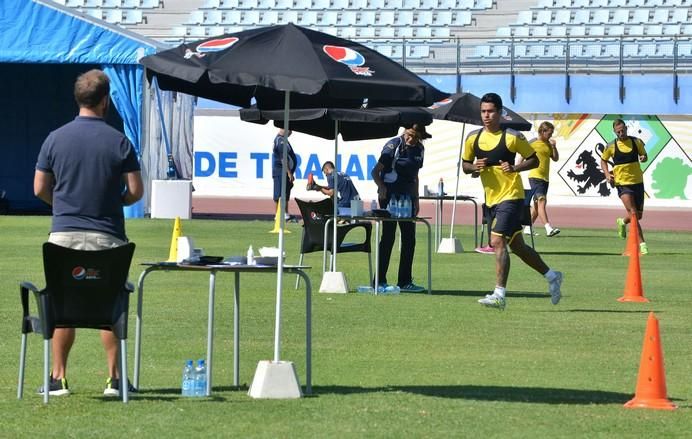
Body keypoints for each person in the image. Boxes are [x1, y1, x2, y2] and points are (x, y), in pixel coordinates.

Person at [33, 69, 143, 396]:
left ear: (78, 98)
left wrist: (63, 204)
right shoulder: (119, 141)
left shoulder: (55, 138)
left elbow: (40, 187)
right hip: (107, 238)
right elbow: (135, 191)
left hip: (63, 237)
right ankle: (115, 379)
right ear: (106, 100)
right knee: (109, 302)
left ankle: (57, 378)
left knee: (64, 301)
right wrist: (113, 202)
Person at [461, 93, 563, 310]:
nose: (486, 115)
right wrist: (475, 167)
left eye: (490, 111)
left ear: (499, 113)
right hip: (491, 200)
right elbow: (465, 166)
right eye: (483, 111)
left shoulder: (512, 136)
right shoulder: (473, 138)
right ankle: (553, 276)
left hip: (512, 196)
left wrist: (515, 168)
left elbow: (533, 159)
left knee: (497, 241)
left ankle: (499, 294)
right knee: (518, 246)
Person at [371, 124, 429, 293]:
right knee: (388, 237)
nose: (411, 139)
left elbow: (416, 176)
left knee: (409, 238)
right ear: (404, 131)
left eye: (415, 137)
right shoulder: (393, 146)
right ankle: (379, 281)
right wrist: (381, 187)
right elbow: (375, 171)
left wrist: (416, 199)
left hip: (408, 199)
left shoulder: (419, 149)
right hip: (389, 197)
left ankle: (405, 282)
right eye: (409, 135)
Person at [599, 118, 649, 254]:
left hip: (637, 182)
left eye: (622, 130)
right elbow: (603, 161)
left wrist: (644, 157)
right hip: (622, 184)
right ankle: (642, 244)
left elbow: (644, 155)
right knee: (633, 213)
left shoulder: (636, 142)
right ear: (614, 132)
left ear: (626, 128)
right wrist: (607, 175)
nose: (621, 133)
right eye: (618, 131)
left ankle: (622, 221)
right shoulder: (611, 146)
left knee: (638, 216)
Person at [522, 121, 560, 237]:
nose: (550, 135)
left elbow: (555, 158)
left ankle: (528, 227)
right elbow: (523, 153)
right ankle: (548, 228)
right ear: (543, 131)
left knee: (537, 204)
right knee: (542, 201)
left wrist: (554, 147)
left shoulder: (548, 144)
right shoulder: (533, 142)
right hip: (535, 176)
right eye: (549, 133)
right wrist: (517, 168)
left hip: (545, 178)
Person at [272, 128, 298, 222]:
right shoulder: (280, 141)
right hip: (280, 171)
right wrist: (289, 172)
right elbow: (283, 158)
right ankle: (277, 215)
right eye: (290, 130)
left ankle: (286, 214)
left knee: (285, 193)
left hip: (285, 171)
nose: (291, 132)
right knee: (279, 193)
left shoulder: (284, 140)